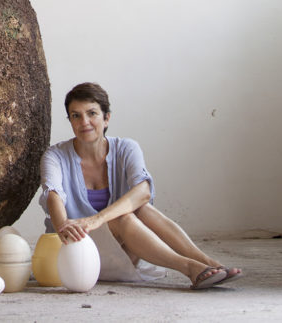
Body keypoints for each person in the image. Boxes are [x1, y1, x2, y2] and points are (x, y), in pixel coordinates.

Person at [39, 82, 243, 289]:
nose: (84, 122)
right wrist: (64, 226)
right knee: (123, 217)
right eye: (76, 115)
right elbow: (53, 194)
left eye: (92, 113)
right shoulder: (55, 155)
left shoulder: (127, 147)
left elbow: (143, 192)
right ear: (70, 121)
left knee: (142, 208)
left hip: (125, 249)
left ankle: (207, 262)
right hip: (77, 251)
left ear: (107, 117)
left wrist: (96, 219)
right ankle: (190, 268)